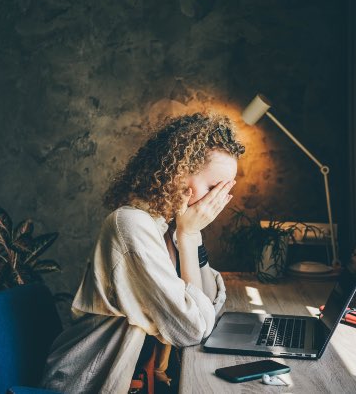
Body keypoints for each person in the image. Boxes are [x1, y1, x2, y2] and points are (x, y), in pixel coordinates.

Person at [40, 112, 245, 393]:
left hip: (143, 380)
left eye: (225, 190)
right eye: (213, 187)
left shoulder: (173, 224)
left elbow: (210, 304)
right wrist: (188, 236)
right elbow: (193, 330)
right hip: (90, 382)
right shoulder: (131, 225)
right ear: (179, 174)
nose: (217, 201)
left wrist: (191, 236)